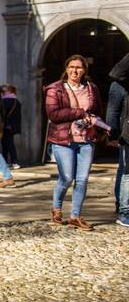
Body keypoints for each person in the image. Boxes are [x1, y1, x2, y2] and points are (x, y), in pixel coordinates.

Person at [45, 54, 102, 230]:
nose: (75, 71)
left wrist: (94, 123)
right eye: (71, 67)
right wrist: (78, 113)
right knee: (67, 177)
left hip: (86, 139)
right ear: (66, 68)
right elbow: (53, 114)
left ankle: (75, 216)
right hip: (63, 140)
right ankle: (56, 208)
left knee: (82, 179)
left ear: (84, 70)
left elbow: (98, 109)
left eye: (78, 67)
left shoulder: (91, 88)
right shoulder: (55, 88)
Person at [106, 52, 129, 226]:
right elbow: (112, 111)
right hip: (125, 133)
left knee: (123, 170)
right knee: (125, 171)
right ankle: (123, 208)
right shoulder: (118, 85)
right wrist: (112, 134)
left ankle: (121, 204)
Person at [1, 84, 22, 169]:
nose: (2, 93)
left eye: (4, 91)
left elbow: (3, 114)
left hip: (6, 125)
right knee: (7, 144)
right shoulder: (17, 101)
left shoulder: (6, 100)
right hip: (12, 126)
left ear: (9, 91)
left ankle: (14, 162)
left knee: (8, 144)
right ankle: (7, 162)